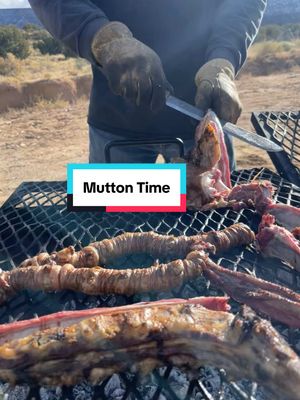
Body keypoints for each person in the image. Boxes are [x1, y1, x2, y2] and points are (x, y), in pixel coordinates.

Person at [29, 0, 267, 168]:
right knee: (111, 226)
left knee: (217, 218)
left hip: (204, 124)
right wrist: (104, 38)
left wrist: (223, 59)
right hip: (117, 123)